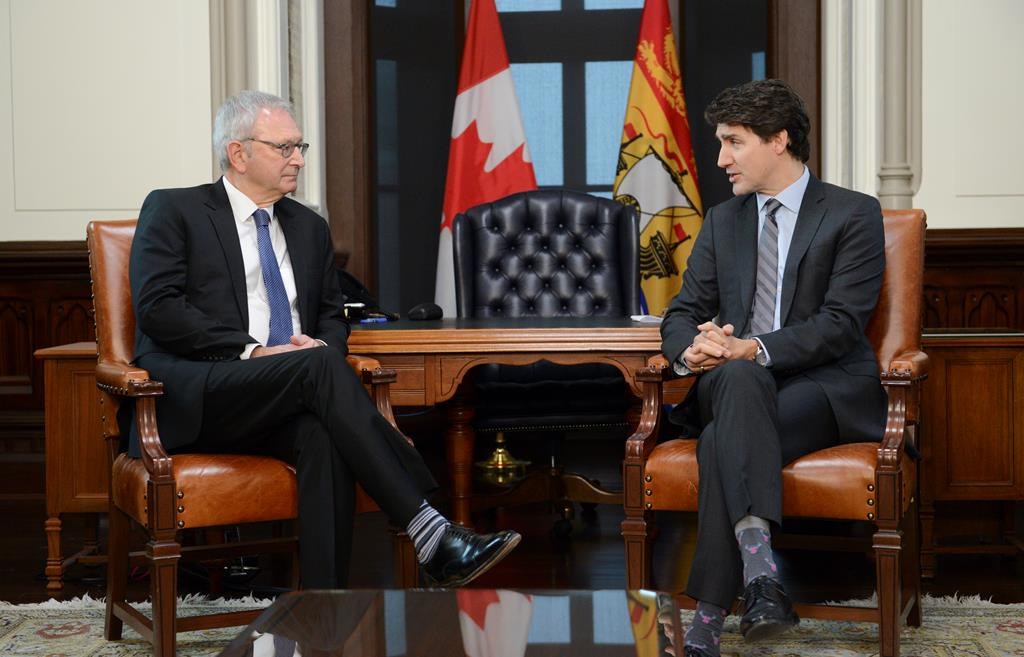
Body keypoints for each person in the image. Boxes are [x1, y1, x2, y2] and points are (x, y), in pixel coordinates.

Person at [128, 89, 520, 590]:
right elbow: (158, 309)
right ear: (238, 153)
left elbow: (333, 319)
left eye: (301, 147)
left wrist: (321, 349)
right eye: (284, 147)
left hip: (289, 392)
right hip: (203, 393)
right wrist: (252, 350)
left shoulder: (309, 227)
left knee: (324, 432)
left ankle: (323, 609)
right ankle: (428, 527)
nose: (298, 159)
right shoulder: (174, 210)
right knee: (316, 370)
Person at [660, 79, 887, 657]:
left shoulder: (852, 213)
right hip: (734, 383)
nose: (720, 158)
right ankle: (760, 578)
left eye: (733, 142)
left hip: (819, 387)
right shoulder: (723, 220)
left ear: (779, 140)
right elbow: (683, 312)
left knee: (719, 443)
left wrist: (751, 348)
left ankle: (707, 623)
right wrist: (694, 349)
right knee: (735, 380)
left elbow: (841, 322)